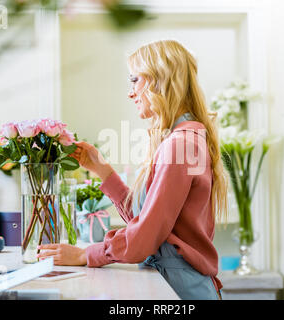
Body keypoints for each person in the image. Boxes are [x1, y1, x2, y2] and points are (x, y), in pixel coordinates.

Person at [38, 40, 228, 300]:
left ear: (160, 80)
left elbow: (144, 238)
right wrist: (102, 170)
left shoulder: (180, 144)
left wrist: (85, 255)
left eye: (135, 80)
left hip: (180, 290)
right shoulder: (183, 139)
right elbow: (148, 222)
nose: (131, 92)